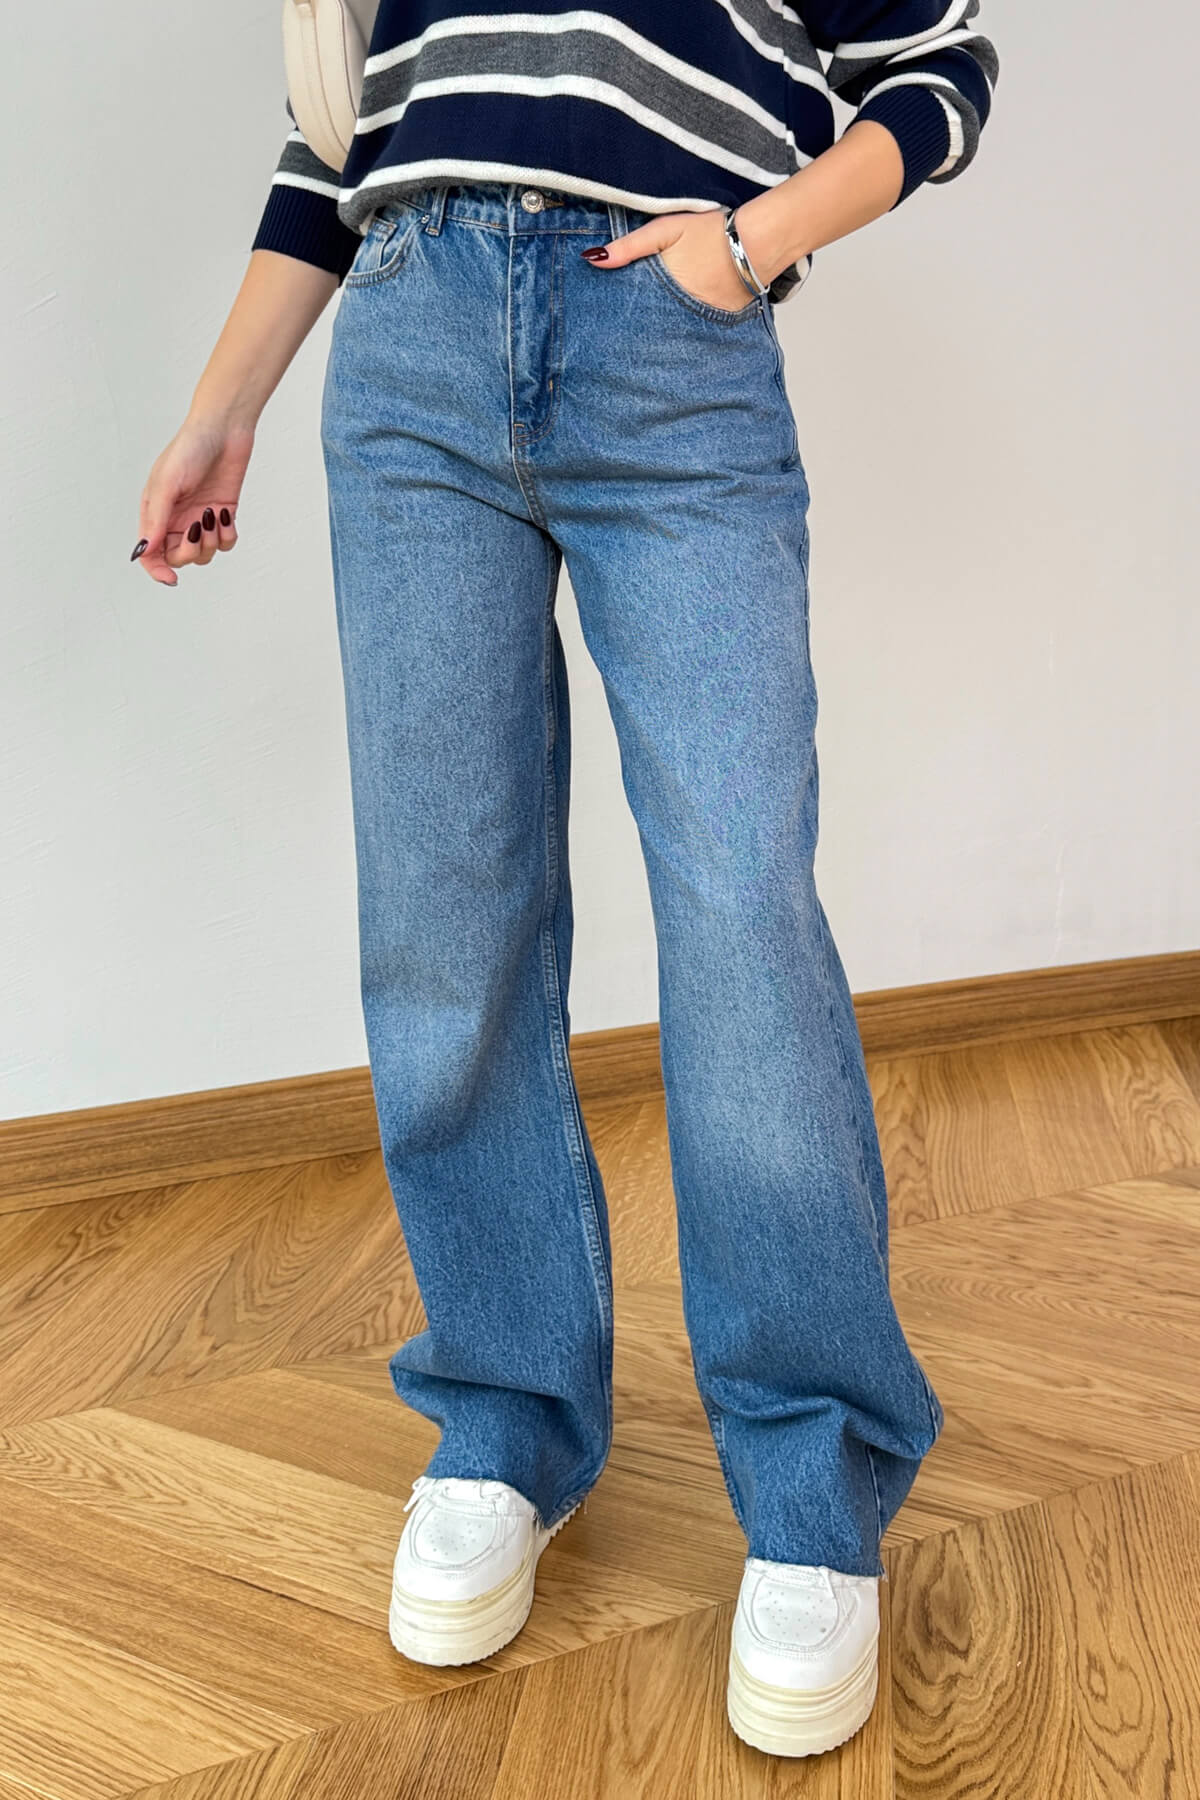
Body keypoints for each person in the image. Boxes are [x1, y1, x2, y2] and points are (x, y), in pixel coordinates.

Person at [132, 1, 998, 1760]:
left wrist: (754, 242)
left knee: (742, 906)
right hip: (409, 344)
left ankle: (812, 1481)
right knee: (445, 919)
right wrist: (221, 410)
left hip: (668, 348)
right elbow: (341, 138)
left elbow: (946, 68)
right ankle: (505, 1417)